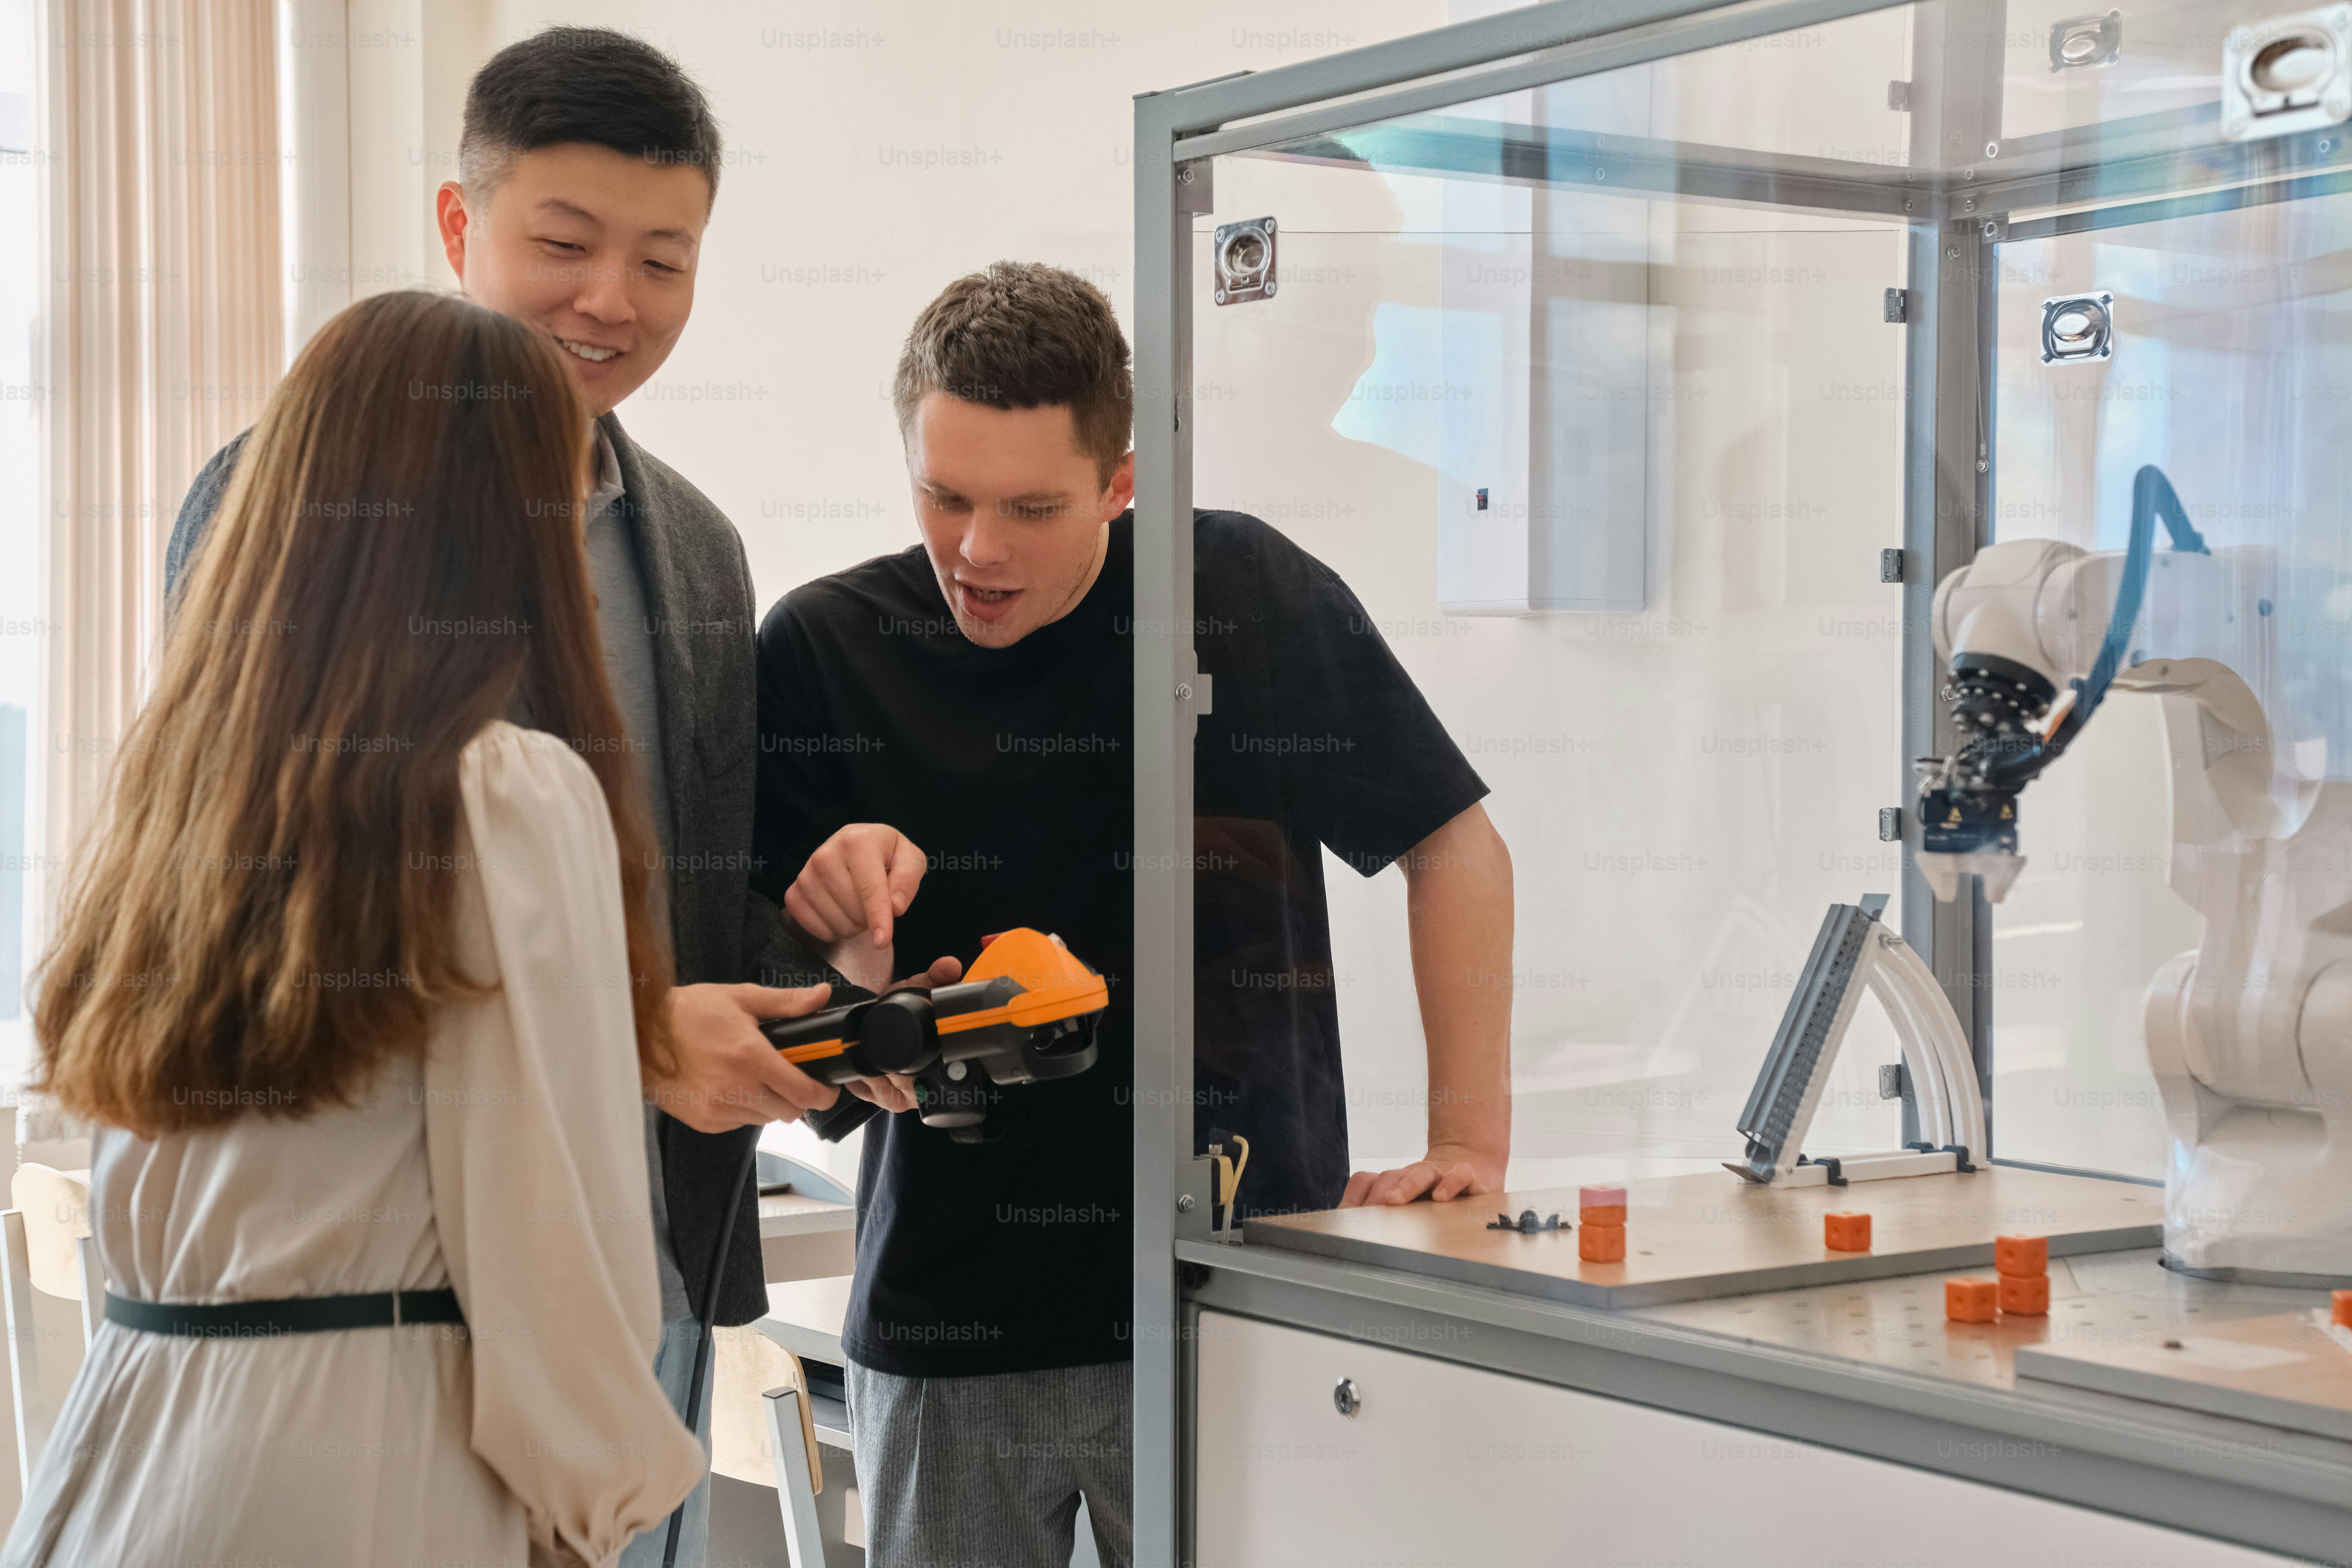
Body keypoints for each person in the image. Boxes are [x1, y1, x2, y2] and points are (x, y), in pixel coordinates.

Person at [158, 30, 892, 1561]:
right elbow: (269, 917)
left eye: (664, 260)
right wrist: (632, 1039)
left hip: (649, 1264)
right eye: (564, 243)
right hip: (376, 1284)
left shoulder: (693, 553)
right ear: (457, 227)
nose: (610, 301)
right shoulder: (287, 508)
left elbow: (687, 904)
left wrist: (829, 957)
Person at [753, 262, 1516, 1567]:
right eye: (944, 495)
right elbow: (770, 1016)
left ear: (1123, 482)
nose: (978, 551)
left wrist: (1470, 1142)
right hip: (952, 1322)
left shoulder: (1247, 596)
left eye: (1031, 507)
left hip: (1236, 1296)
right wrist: (843, 956)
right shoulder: (825, 646)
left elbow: (1456, 849)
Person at [6, 289, 765, 1567]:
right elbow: (553, 1254)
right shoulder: (504, 794)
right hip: (365, 1469)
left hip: (119, 1460)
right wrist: (603, 1506)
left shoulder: (179, 792)